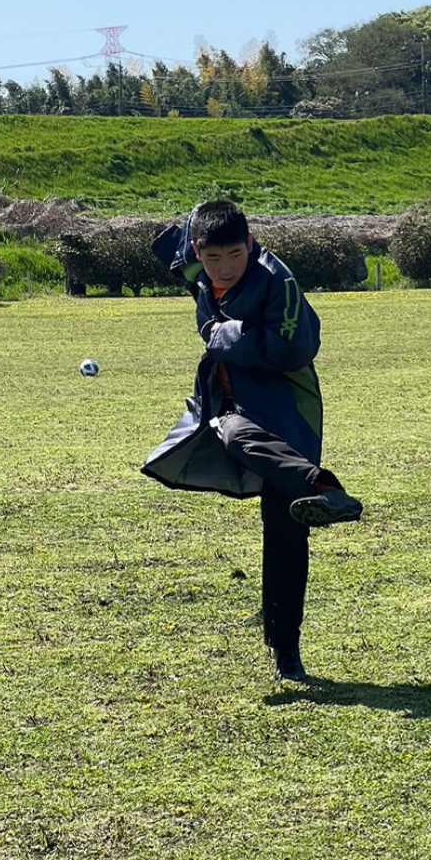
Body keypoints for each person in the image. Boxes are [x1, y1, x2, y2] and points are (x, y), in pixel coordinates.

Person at [143, 200, 362, 682]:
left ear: (250, 243)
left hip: (287, 406)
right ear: (198, 250)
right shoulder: (198, 262)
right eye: (213, 258)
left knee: (286, 528)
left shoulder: (276, 280)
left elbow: (295, 348)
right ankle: (322, 486)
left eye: (235, 256)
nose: (224, 268)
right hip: (231, 403)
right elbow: (182, 254)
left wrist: (222, 334)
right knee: (228, 428)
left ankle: (286, 650)